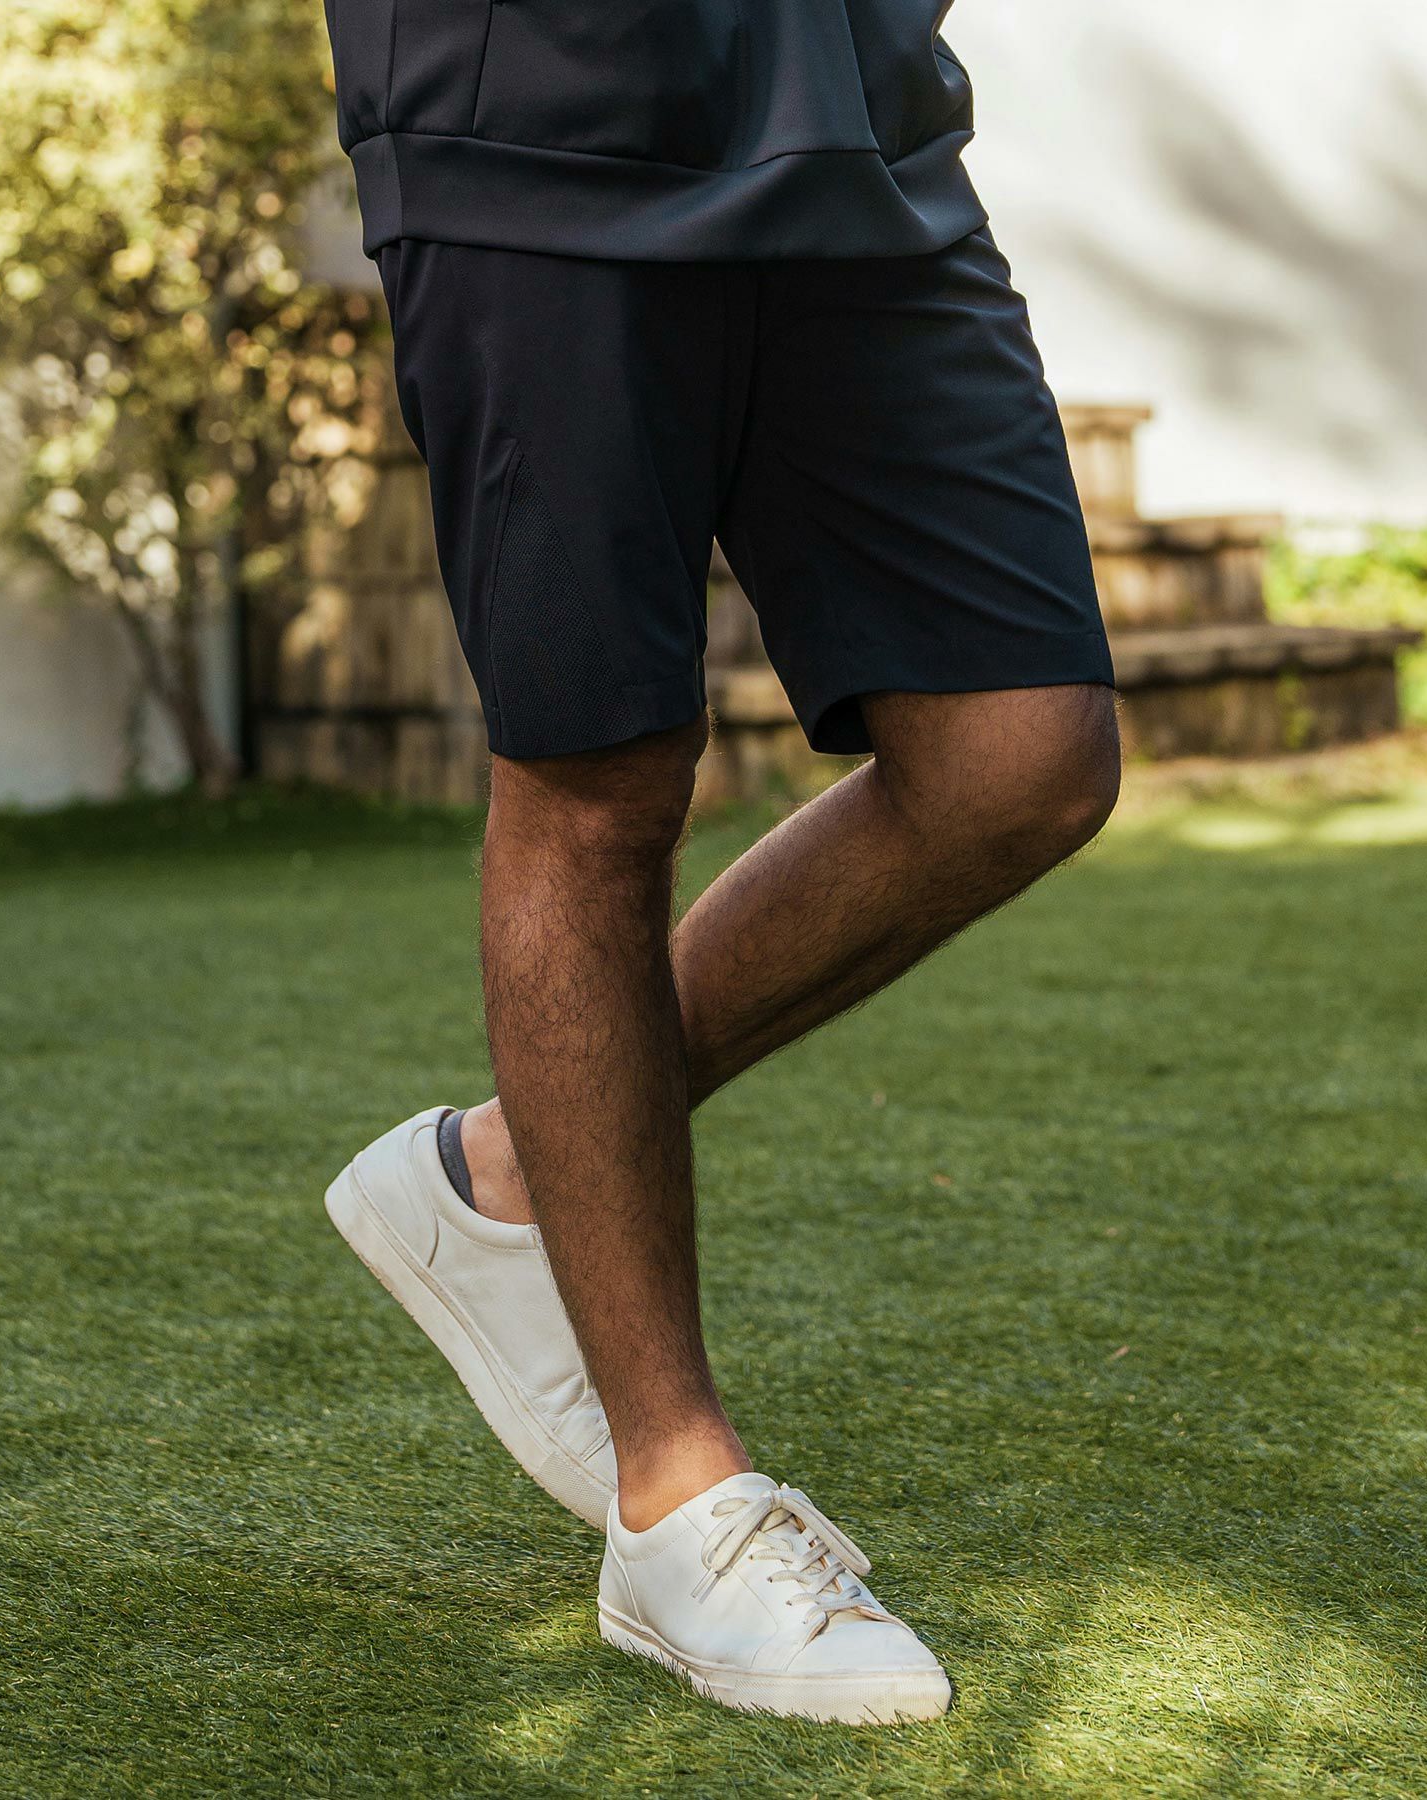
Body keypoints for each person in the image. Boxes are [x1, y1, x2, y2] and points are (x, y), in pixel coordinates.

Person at [320, 0, 1120, 1724]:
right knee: (601, 779)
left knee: (1022, 754)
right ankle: (674, 1497)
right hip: (536, 120)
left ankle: (506, 1165)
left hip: (862, 122)